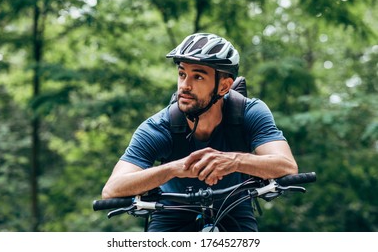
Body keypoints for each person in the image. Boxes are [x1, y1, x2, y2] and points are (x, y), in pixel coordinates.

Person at [102, 33, 298, 231]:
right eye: (182, 74)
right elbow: (112, 189)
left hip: (234, 210)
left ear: (224, 86)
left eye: (198, 76)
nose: (185, 85)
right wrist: (173, 169)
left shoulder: (249, 113)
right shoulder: (159, 127)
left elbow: (287, 166)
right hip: (172, 214)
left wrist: (234, 161)